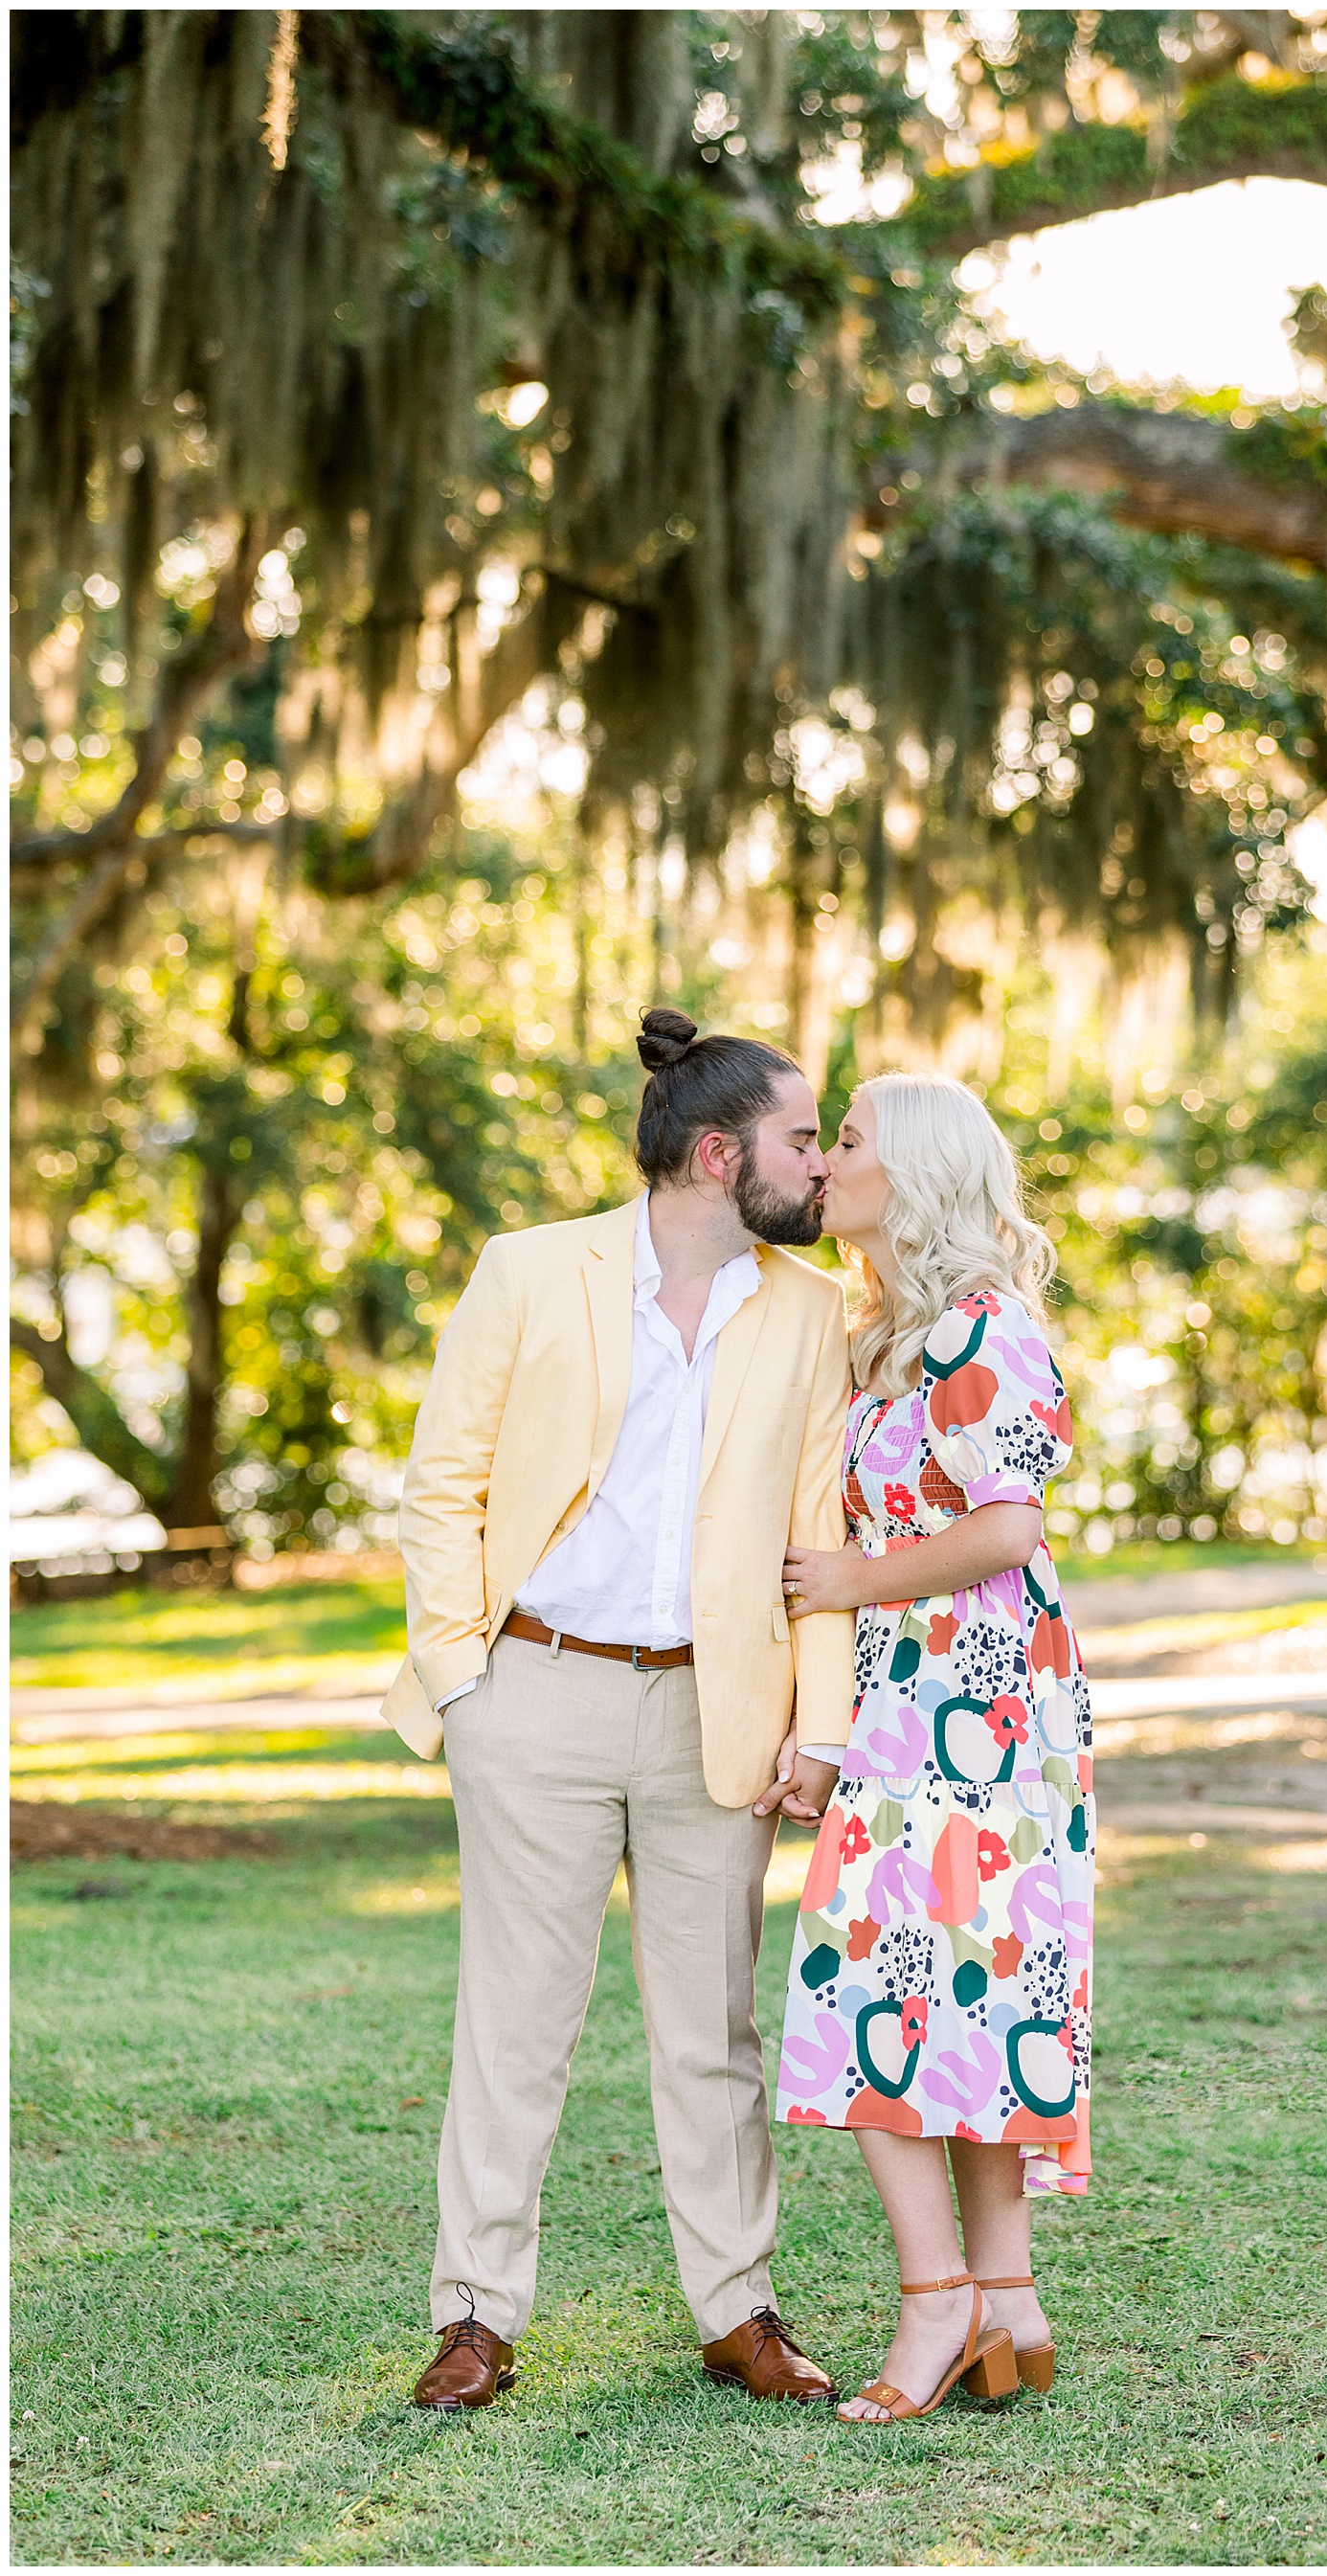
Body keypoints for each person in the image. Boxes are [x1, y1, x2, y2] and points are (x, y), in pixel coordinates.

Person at [382, 1006, 854, 2411]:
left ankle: (738, 2308)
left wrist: (819, 1724)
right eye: (801, 1140)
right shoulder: (530, 1271)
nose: (822, 1165)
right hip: (532, 1693)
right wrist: (463, 1681)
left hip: (719, 1712)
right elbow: (442, 1485)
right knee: (515, 2021)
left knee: (713, 2031)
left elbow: (819, 1536)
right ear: (718, 1155)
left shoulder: (813, 1311)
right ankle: (476, 2316)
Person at [775, 1073, 1093, 2425]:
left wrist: (854, 1578)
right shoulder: (891, 1335)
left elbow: (1009, 1525)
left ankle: (937, 2299)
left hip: (976, 1707)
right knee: (966, 1999)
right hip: (924, 1700)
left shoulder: (977, 1325)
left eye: (845, 1140)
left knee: (870, 1990)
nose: (824, 1161)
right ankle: (1006, 2300)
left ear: (908, 1172)